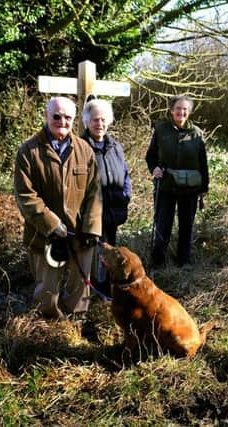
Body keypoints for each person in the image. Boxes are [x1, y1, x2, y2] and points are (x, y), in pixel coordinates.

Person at [14, 96, 102, 320]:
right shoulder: (28, 151)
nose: (62, 121)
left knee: (80, 290)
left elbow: (94, 192)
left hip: (79, 234)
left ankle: (75, 326)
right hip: (43, 235)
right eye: (56, 116)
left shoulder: (85, 150)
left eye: (67, 117)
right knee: (47, 292)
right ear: (46, 116)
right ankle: (51, 329)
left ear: (74, 120)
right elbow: (25, 195)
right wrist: (52, 224)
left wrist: (91, 228)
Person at [145, 95, 209, 269]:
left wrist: (204, 187)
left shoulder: (197, 133)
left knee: (186, 225)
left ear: (189, 112)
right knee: (163, 224)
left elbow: (203, 162)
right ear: (172, 110)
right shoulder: (161, 130)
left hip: (190, 189)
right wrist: (154, 169)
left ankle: (184, 260)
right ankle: (158, 261)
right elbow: (151, 155)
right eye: (178, 108)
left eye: (185, 109)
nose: (181, 112)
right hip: (165, 186)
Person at [81, 97, 131, 296]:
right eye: (95, 120)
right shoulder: (81, 146)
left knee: (109, 251)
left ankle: (108, 287)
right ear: (87, 121)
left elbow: (125, 173)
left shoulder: (115, 146)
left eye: (103, 120)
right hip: (93, 212)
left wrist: (126, 195)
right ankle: (96, 291)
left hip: (114, 210)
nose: (99, 124)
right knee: (96, 253)